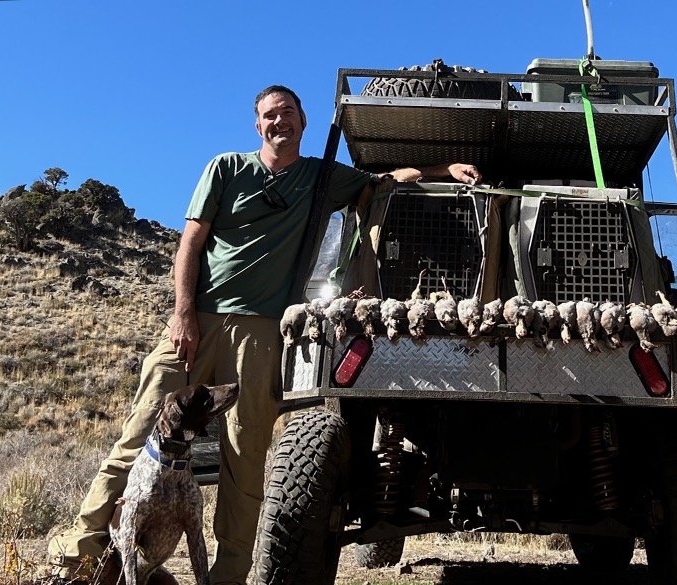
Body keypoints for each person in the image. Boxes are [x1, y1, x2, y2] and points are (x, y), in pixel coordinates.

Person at [47, 84, 481, 584]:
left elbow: (382, 180)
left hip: (261, 335)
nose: (280, 122)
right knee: (140, 434)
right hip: (199, 321)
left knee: (245, 456)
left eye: (288, 113)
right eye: (270, 115)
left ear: (303, 121)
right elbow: (191, 242)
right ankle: (77, 558)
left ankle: (230, 572)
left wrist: (441, 171)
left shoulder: (322, 178)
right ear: (258, 126)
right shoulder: (226, 168)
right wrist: (183, 312)